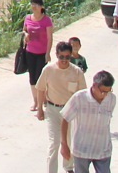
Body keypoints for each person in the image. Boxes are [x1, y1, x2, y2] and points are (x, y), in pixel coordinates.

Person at [36, 41, 87, 173]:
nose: (64, 60)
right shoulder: (48, 70)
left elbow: (82, 95)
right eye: (61, 57)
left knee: (69, 142)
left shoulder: (76, 72)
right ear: (56, 55)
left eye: (67, 57)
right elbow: (41, 89)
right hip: (53, 110)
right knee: (55, 143)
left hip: (70, 112)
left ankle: (69, 168)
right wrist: (40, 109)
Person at [60, 70, 117, 173]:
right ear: (94, 85)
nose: (105, 95)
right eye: (103, 91)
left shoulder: (111, 99)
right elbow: (65, 118)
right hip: (82, 150)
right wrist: (64, 145)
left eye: (108, 91)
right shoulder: (79, 98)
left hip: (103, 150)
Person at [23, 0, 54, 111]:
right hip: (29, 51)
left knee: (40, 77)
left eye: (36, 4)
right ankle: (35, 101)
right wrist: (25, 34)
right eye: (32, 4)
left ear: (42, 7)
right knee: (32, 77)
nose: (34, 6)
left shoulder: (46, 20)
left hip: (42, 53)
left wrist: (48, 53)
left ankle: (43, 98)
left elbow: (50, 38)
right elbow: (24, 30)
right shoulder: (27, 18)